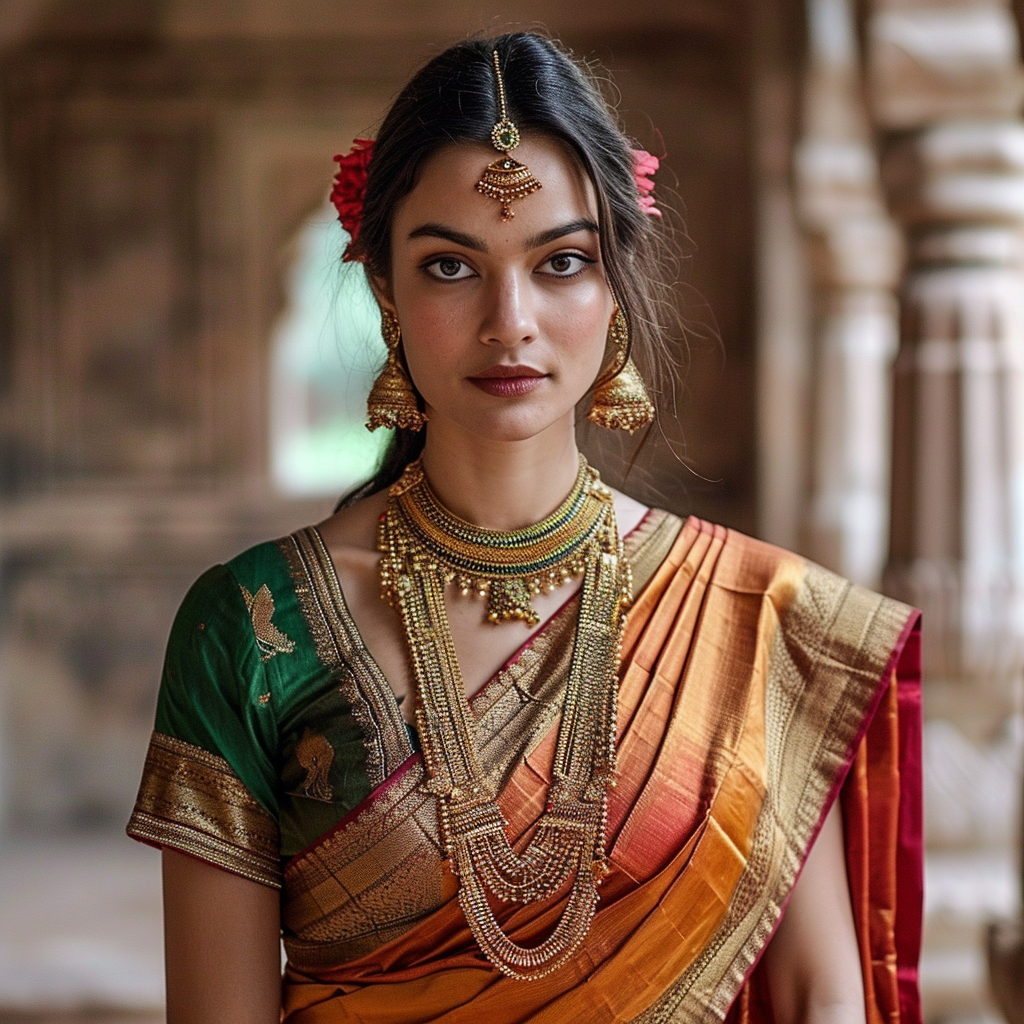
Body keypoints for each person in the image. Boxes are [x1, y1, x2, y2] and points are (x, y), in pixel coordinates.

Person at [127, 32, 923, 1024]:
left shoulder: (760, 625)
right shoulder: (251, 627)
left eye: (560, 262)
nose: (512, 321)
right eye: (452, 267)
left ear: (613, 282)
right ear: (385, 291)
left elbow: (818, 1003)